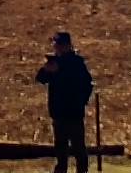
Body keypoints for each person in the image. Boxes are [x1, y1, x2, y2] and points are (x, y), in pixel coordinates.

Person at [36, 31, 95, 173]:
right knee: (60, 149)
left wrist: (81, 102)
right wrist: (47, 70)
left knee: (78, 147)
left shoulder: (76, 63)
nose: (57, 47)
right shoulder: (53, 62)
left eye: (60, 45)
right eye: (55, 44)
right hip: (58, 112)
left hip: (74, 112)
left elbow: (87, 84)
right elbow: (40, 79)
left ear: (68, 45)